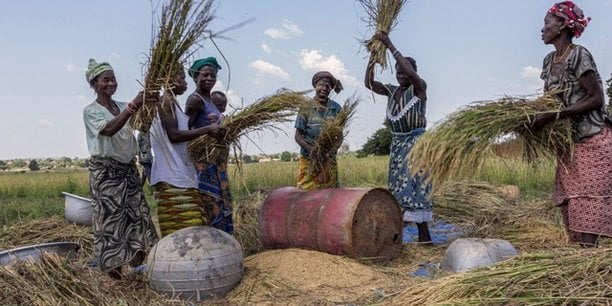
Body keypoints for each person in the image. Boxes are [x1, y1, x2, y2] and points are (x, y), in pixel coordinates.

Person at [532, 1, 611, 247]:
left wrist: (555, 116)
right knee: (574, 201)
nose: (542, 28)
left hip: (593, 139)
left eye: (547, 22)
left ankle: (588, 262)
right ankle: (584, 255)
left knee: (591, 199)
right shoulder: (549, 60)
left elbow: (596, 97)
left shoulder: (579, 54)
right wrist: (530, 117)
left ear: (563, 25)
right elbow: (549, 101)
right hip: (569, 143)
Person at [82, 59, 159, 279]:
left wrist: (151, 101)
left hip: (128, 172)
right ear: (94, 84)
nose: (111, 83)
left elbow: (143, 122)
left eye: (113, 79)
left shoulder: (122, 105)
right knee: (111, 223)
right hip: (106, 175)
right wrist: (133, 106)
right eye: (105, 79)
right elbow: (109, 129)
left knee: (139, 217)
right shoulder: (91, 111)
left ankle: (140, 268)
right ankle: (114, 277)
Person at [364, 32, 433, 243]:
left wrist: (390, 44)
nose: (401, 75)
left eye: (405, 71)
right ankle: (398, 235)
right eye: (398, 72)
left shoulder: (419, 88)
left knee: (417, 185)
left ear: (412, 73)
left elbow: (411, 73)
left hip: (416, 145)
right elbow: (369, 83)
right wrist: (374, 56)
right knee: (398, 188)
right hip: (397, 145)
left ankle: (424, 236)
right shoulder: (392, 91)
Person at [149, 66, 225, 237]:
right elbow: (174, 135)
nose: (184, 82)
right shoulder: (165, 101)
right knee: (183, 234)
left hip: (182, 177)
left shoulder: (173, 103)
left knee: (192, 231)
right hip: (171, 178)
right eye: (181, 78)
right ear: (168, 80)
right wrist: (207, 129)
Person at [185, 57, 234, 234]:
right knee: (210, 203)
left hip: (217, 162)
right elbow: (185, 130)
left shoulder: (212, 102)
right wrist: (208, 130)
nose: (209, 79)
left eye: (213, 75)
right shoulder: (195, 100)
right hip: (204, 163)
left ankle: (225, 244)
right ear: (196, 76)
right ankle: (214, 244)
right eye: (205, 75)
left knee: (223, 202)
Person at [294, 71, 343, 190]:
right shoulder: (306, 107)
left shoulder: (336, 108)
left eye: (328, 86)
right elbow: (298, 136)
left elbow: (340, 136)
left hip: (328, 160)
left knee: (329, 194)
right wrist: (312, 150)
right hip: (309, 159)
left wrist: (330, 152)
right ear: (315, 85)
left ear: (331, 89)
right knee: (306, 192)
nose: (324, 88)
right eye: (321, 84)